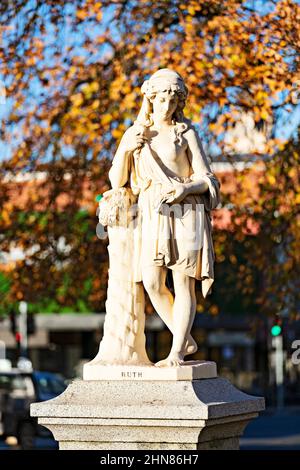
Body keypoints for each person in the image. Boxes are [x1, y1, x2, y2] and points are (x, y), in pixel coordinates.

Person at [108, 68, 220, 367]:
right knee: (152, 282)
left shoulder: (185, 134)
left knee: (183, 283)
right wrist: (125, 150)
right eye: (163, 99)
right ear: (151, 98)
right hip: (152, 212)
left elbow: (208, 179)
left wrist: (184, 190)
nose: (168, 106)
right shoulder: (134, 134)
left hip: (185, 212)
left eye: (175, 100)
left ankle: (177, 353)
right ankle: (183, 335)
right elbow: (117, 180)